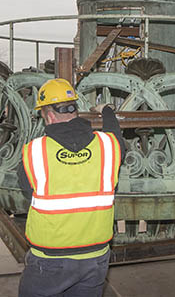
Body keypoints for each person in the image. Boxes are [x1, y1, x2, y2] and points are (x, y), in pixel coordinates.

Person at [17, 78, 125, 297]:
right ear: (75, 110)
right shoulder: (109, 146)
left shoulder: (34, 152)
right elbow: (116, 134)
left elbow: (28, 193)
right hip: (95, 258)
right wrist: (106, 111)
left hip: (50, 260)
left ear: (48, 115)